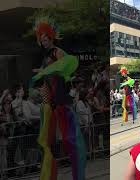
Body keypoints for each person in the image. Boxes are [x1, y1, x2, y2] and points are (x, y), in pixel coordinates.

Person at [30, 17, 86, 180]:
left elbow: (65, 69)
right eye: (42, 39)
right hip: (50, 103)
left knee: (72, 140)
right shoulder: (45, 57)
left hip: (61, 101)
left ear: (51, 37)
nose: (44, 42)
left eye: (46, 38)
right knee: (47, 142)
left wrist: (47, 72)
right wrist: (40, 72)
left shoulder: (57, 52)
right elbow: (45, 74)